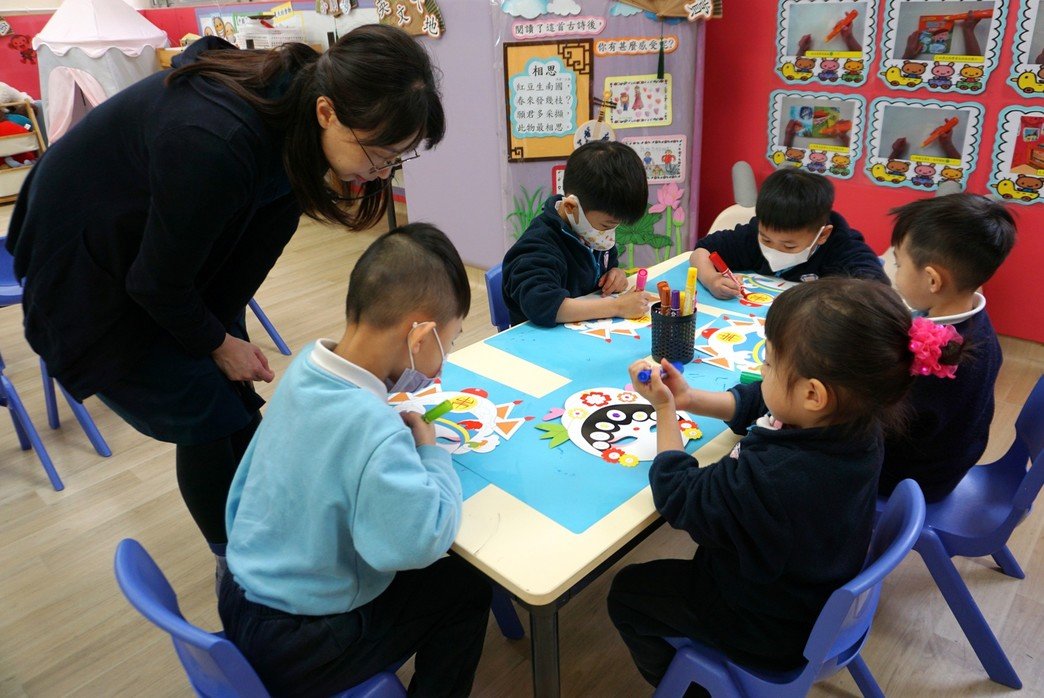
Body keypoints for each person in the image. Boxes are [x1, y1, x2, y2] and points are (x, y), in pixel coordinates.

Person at [4, 26, 445, 574]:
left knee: (233, 400)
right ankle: (237, 568)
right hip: (87, 262)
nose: (381, 172)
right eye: (379, 154)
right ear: (327, 112)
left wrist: (226, 339)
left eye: (397, 159)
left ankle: (263, 535)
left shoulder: (299, 123)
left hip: (158, 257)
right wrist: (216, 342)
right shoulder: (215, 139)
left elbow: (243, 262)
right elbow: (156, 282)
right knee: (204, 414)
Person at [609, 278, 961, 695]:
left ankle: (691, 688)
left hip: (767, 627)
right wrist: (690, 398)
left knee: (628, 592)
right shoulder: (858, 423)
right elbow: (764, 402)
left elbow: (677, 493)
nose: (763, 371)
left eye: (770, 362)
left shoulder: (775, 478)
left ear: (813, 394)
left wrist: (665, 409)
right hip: (811, 593)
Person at [219, 223, 491, 697]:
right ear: (421, 336)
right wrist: (430, 453)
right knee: (465, 589)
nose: (441, 367)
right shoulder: (376, 428)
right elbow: (420, 542)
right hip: (297, 641)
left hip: (239, 592)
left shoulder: (307, 365)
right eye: (448, 344)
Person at [881, 194, 1017, 502]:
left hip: (912, 481)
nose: (894, 273)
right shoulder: (976, 321)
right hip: (944, 460)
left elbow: (882, 428)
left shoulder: (941, 360)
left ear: (932, 280)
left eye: (899, 264)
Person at [501, 140, 655, 327]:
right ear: (571, 207)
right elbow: (543, 305)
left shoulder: (588, 231)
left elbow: (605, 266)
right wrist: (616, 307)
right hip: (538, 339)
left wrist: (615, 275)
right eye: (606, 225)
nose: (609, 234)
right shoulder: (537, 247)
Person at [690, 168, 887, 298]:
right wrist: (712, 280)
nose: (775, 250)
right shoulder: (752, 234)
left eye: (789, 245)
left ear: (822, 235)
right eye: (766, 240)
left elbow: (875, 289)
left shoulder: (842, 246)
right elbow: (702, 250)